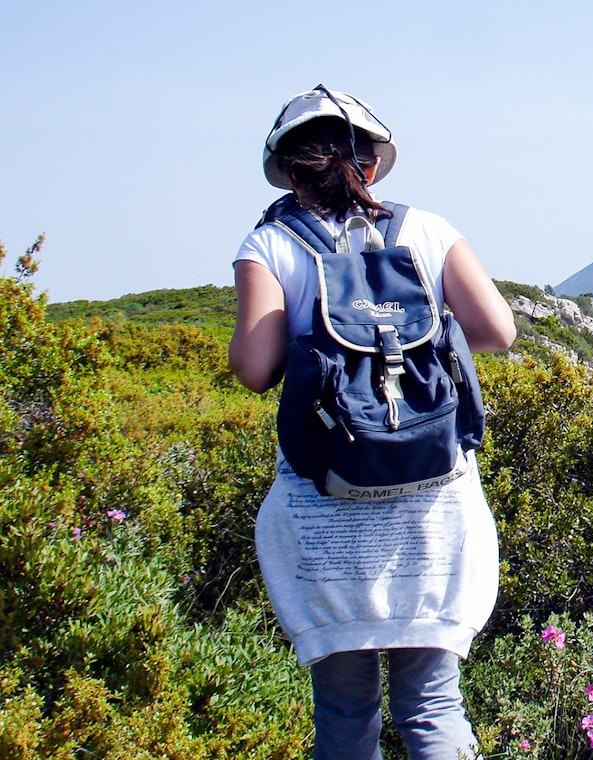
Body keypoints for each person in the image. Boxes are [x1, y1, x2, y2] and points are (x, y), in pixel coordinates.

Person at [228, 85, 515, 760]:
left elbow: (253, 368)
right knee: (433, 705)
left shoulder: (269, 243)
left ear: (290, 168)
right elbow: (498, 331)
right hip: (432, 508)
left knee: (345, 710)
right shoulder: (427, 230)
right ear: (372, 164)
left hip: (326, 512)